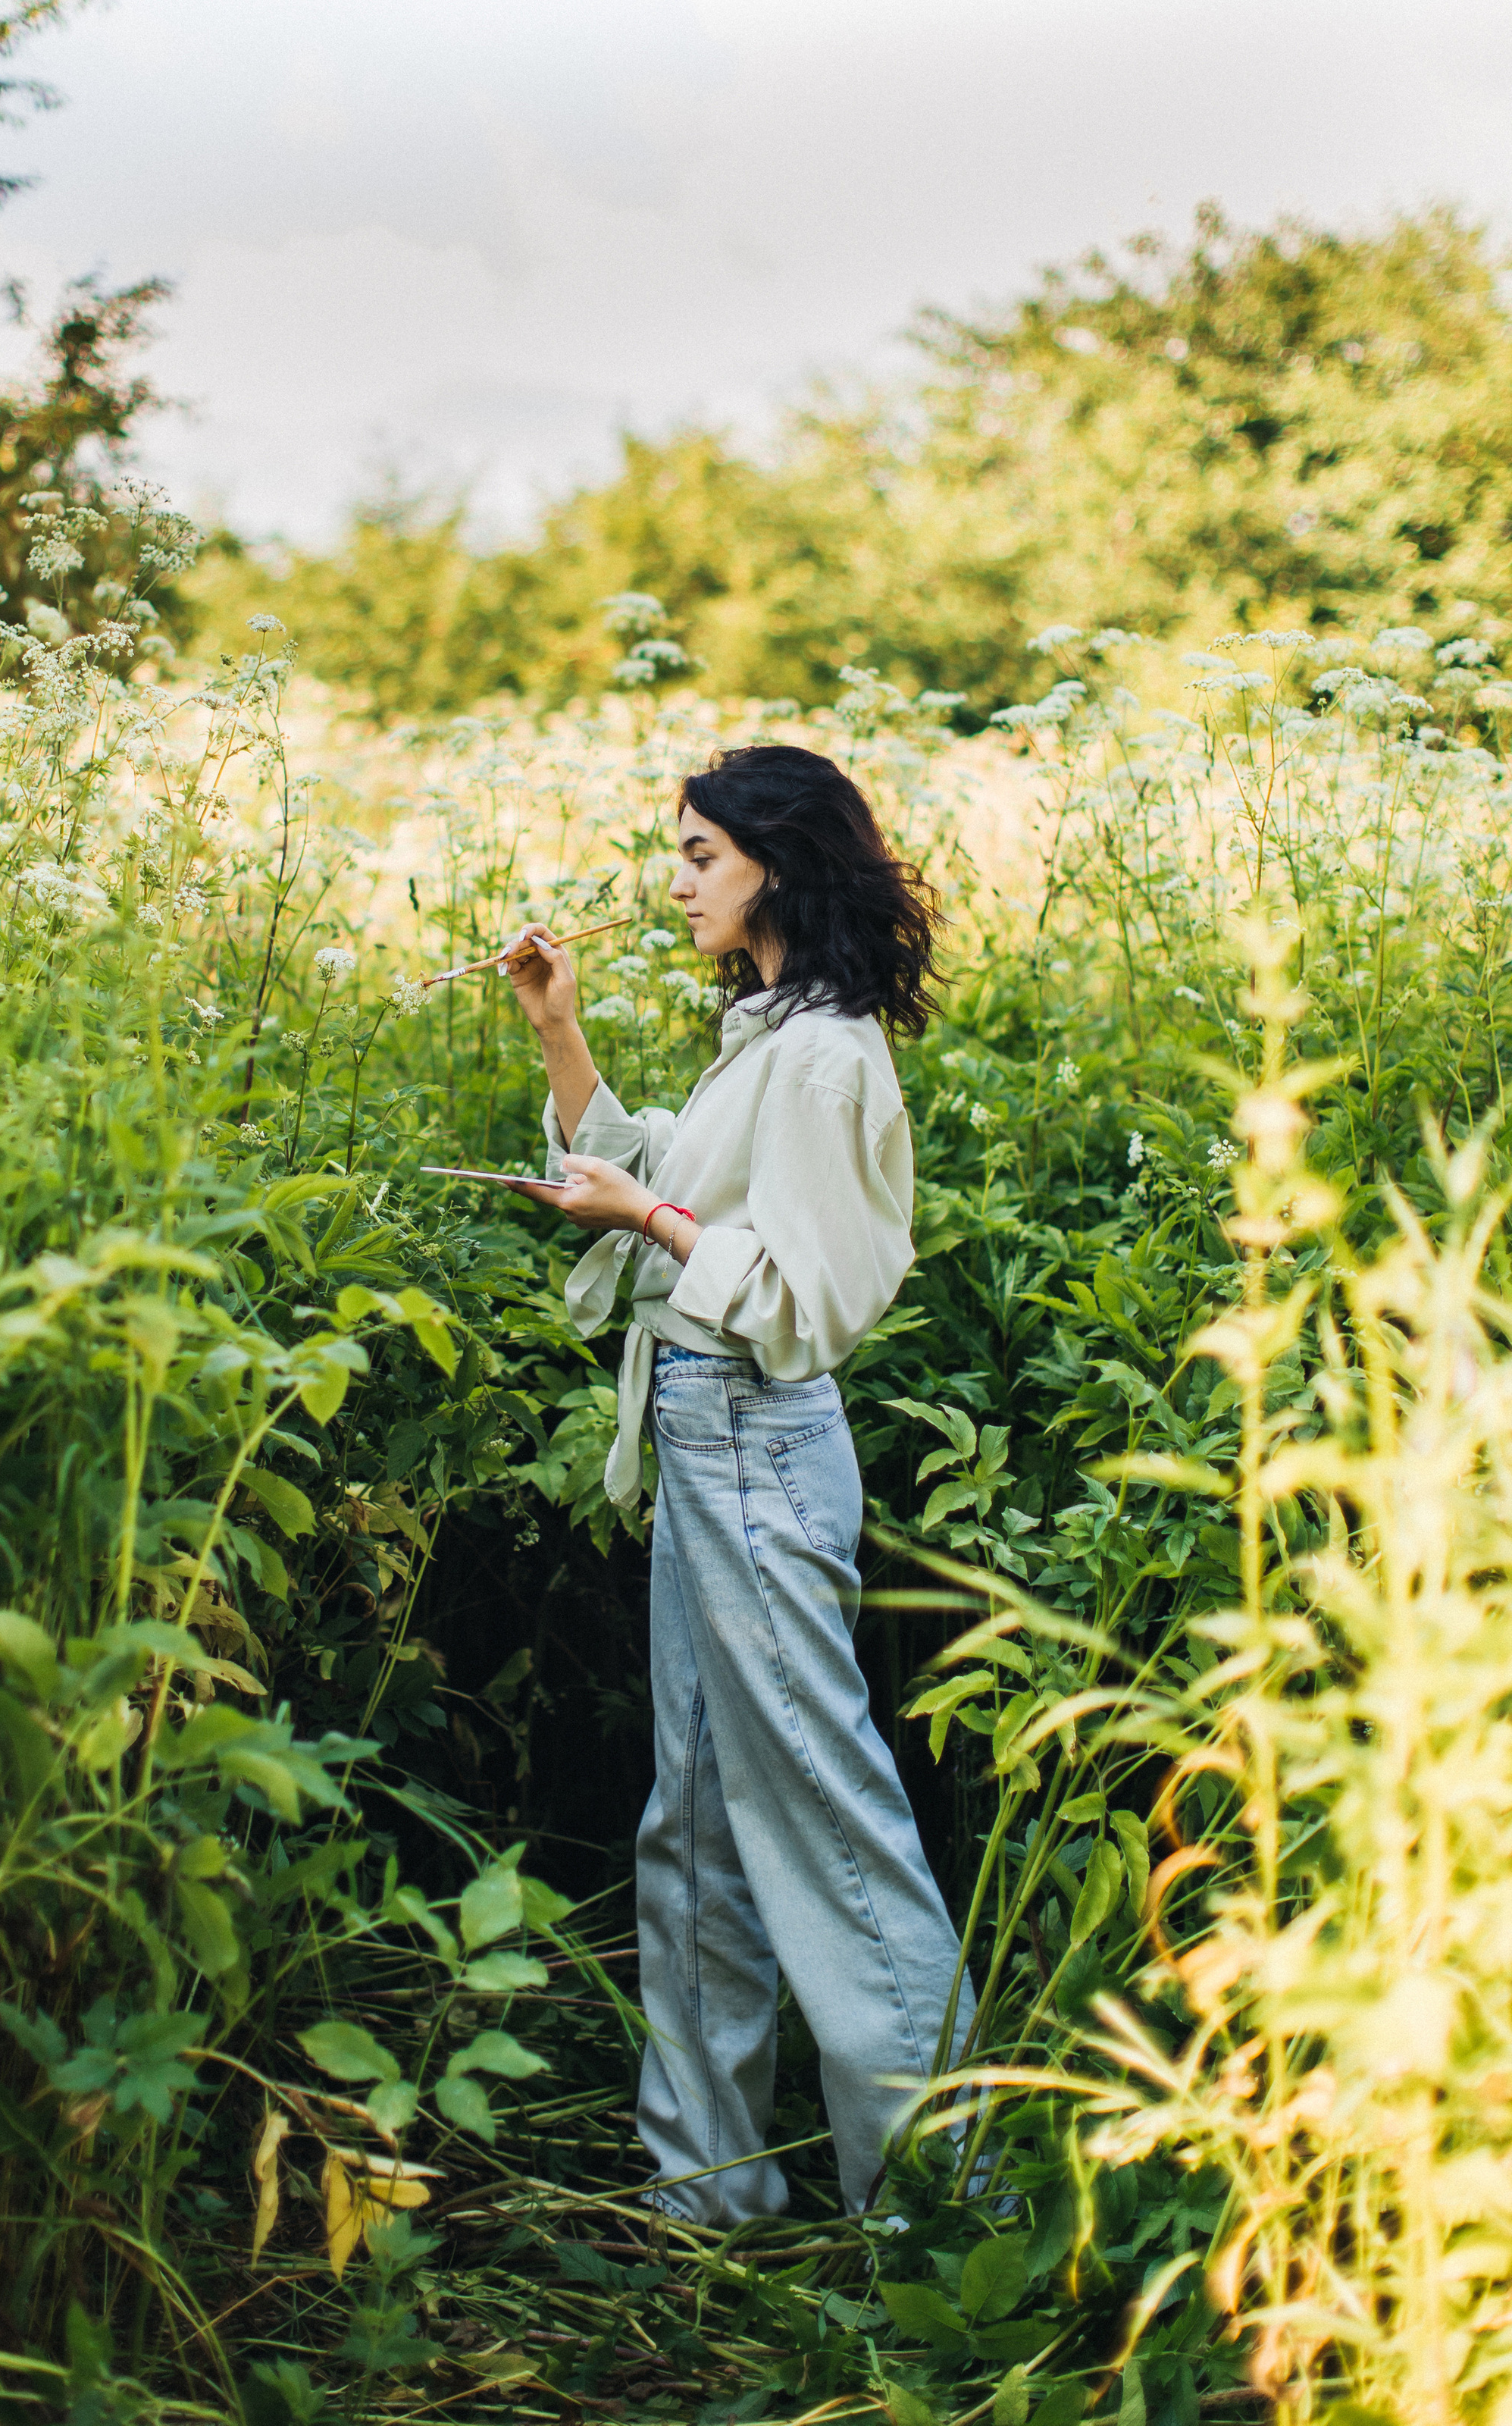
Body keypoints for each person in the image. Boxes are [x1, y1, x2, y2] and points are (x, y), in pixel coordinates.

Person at [502, 741, 965, 2226]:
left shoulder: (827, 1054)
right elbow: (672, 1190)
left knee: (823, 1820)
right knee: (693, 1820)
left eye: (700, 852)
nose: (678, 879)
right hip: (706, 1439)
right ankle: (705, 2187)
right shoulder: (765, 1030)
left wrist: (641, 1210)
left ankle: (944, 2204)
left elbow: (805, 1296)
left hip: (760, 1438)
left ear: (778, 857)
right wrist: (561, 1040)